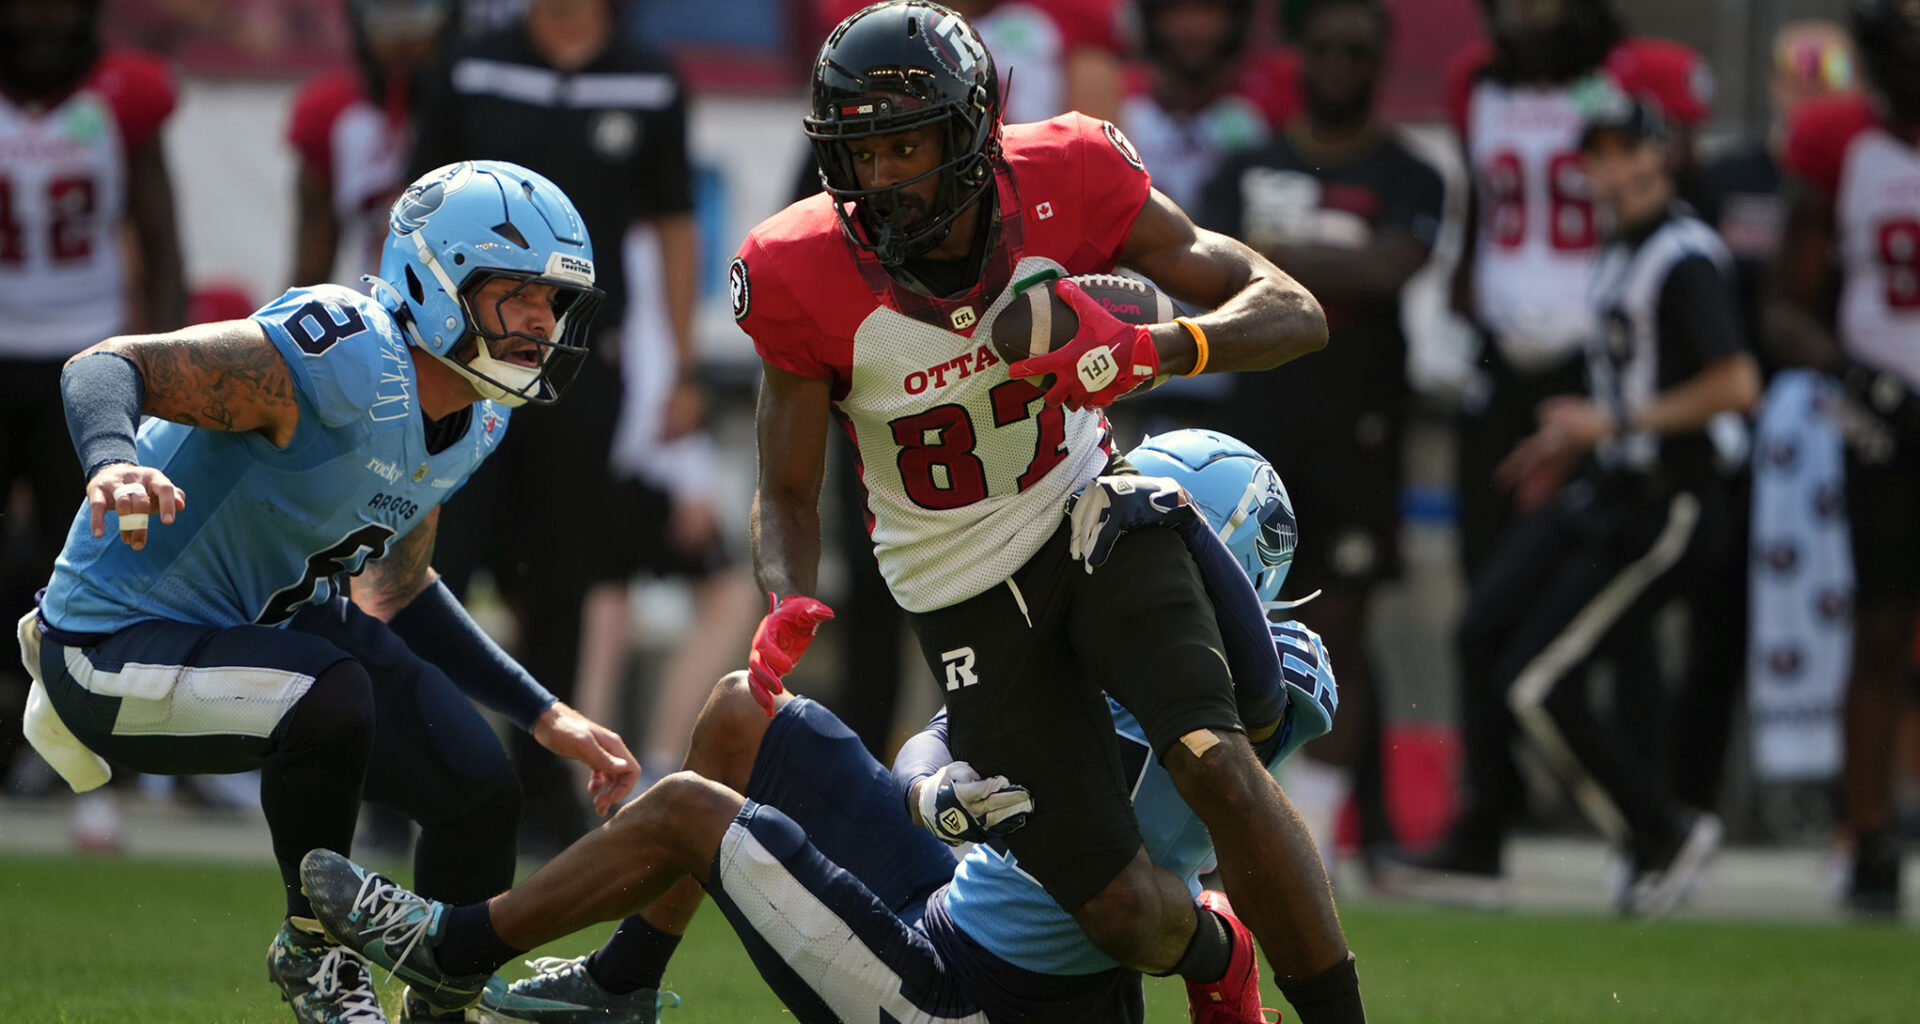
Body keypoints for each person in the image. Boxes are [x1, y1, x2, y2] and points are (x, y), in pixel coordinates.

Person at [738, 3, 1361, 1020]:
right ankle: (1223, 955)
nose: (881, 177)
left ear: (972, 132)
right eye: (860, 151)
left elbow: (1293, 310)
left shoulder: (1069, 174)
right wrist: (785, 595)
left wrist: (1158, 349)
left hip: (1089, 521)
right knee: (1116, 909)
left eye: (906, 146)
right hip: (965, 598)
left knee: (1218, 765)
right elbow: (788, 491)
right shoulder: (798, 268)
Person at [299, 430, 1343, 1024]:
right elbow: (937, 734)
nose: (1104, 546)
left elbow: (1254, 696)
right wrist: (932, 788)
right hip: (950, 911)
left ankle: (456, 942)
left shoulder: (1275, 672)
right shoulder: (1078, 619)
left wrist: (1176, 529)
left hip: (985, 1003)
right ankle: (621, 985)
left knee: (690, 813)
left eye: (1133, 532)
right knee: (740, 712)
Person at [17, 160, 640, 1024]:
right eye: (518, 292)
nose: (542, 321)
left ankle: (441, 1012)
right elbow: (104, 366)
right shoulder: (349, 354)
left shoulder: (480, 414)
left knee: (478, 788)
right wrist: (113, 463)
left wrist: (541, 712)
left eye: (555, 300)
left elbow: (399, 587)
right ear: (435, 280)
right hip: (111, 645)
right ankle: (317, 949)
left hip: (264, 641)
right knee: (330, 691)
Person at [1385, 99, 1759, 915]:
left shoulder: (1684, 255)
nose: (1616, 168)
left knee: (1539, 682)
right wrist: (1573, 442)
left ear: (1663, 156)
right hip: (1612, 482)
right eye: (1600, 154)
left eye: (1631, 150)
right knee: (1482, 627)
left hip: (1675, 497)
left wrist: (1612, 424)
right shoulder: (1620, 251)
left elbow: (1737, 384)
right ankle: (1481, 838)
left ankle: (1660, 833)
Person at [409, 0, 705, 852]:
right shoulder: (470, 63)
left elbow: (674, 220)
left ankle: (542, 792)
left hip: (577, 364)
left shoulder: (649, 77)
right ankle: (406, 772)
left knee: (563, 576)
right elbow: (415, 210)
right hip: (461, 358)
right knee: (437, 557)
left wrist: (683, 366)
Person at [1198, 0, 1443, 874]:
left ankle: (1316, 842)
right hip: (1255, 430)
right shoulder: (1246, 163)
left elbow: (1392, 268)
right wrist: (1331, 257)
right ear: (1299, 54)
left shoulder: (1411, 173)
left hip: (1361, 426)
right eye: (1326, 47)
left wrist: (1275, 256)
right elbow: (1210, 269)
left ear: (1380, 62)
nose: (1340, 63)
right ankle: (1231, 830)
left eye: (1358, 51)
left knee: (1339, 625)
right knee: (1234, 627)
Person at [0, 0, 185, 790]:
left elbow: (161, 236)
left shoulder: (121, 96)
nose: (43, 21)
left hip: (86, 362)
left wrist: (169, 372)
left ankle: (87, 742)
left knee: (79, 558)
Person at [1767, 0, 1920, 917]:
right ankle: (1868, 837)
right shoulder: (1845, 145)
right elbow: (1787, 303)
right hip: (1888, 425)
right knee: (1881, 631)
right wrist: (1860, 380)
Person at [288, 0, 455, 287]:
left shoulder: (478, 108)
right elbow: (313, 263)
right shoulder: (333, 112)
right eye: (385, 11)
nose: (402, 35)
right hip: (375, 303)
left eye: (416, 10)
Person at [1118, 0, 1297, 212]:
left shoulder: (1271, 99)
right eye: (1176, 10)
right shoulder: (1118, 100)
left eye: (1208, 9)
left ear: (1236, 17)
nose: (1192, 27)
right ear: (1150, 18)